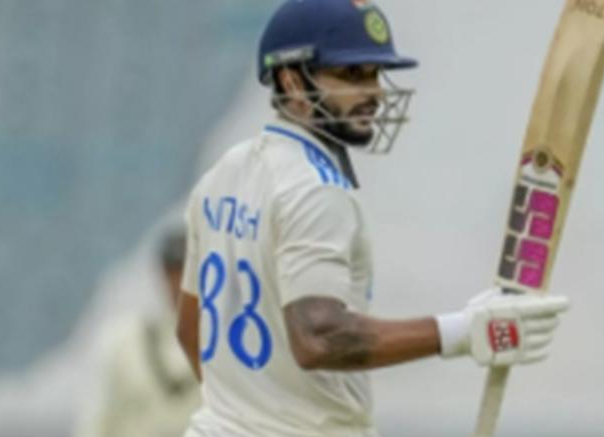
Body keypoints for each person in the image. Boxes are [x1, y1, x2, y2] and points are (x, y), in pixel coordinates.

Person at [176, 1, 570, 436]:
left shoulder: (223, 173)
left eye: (375, 74)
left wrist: (241, 413)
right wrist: (466, 331)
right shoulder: (315, 189)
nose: (376, 92)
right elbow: (318, 337)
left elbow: (189, 330)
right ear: (292, 82)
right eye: (352, 75)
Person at [76, 229, 201, 437]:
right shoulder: (127, 344)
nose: (180, 282)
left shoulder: (228, 349)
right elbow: (98, 422)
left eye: (188, 271)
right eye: (174, 271)